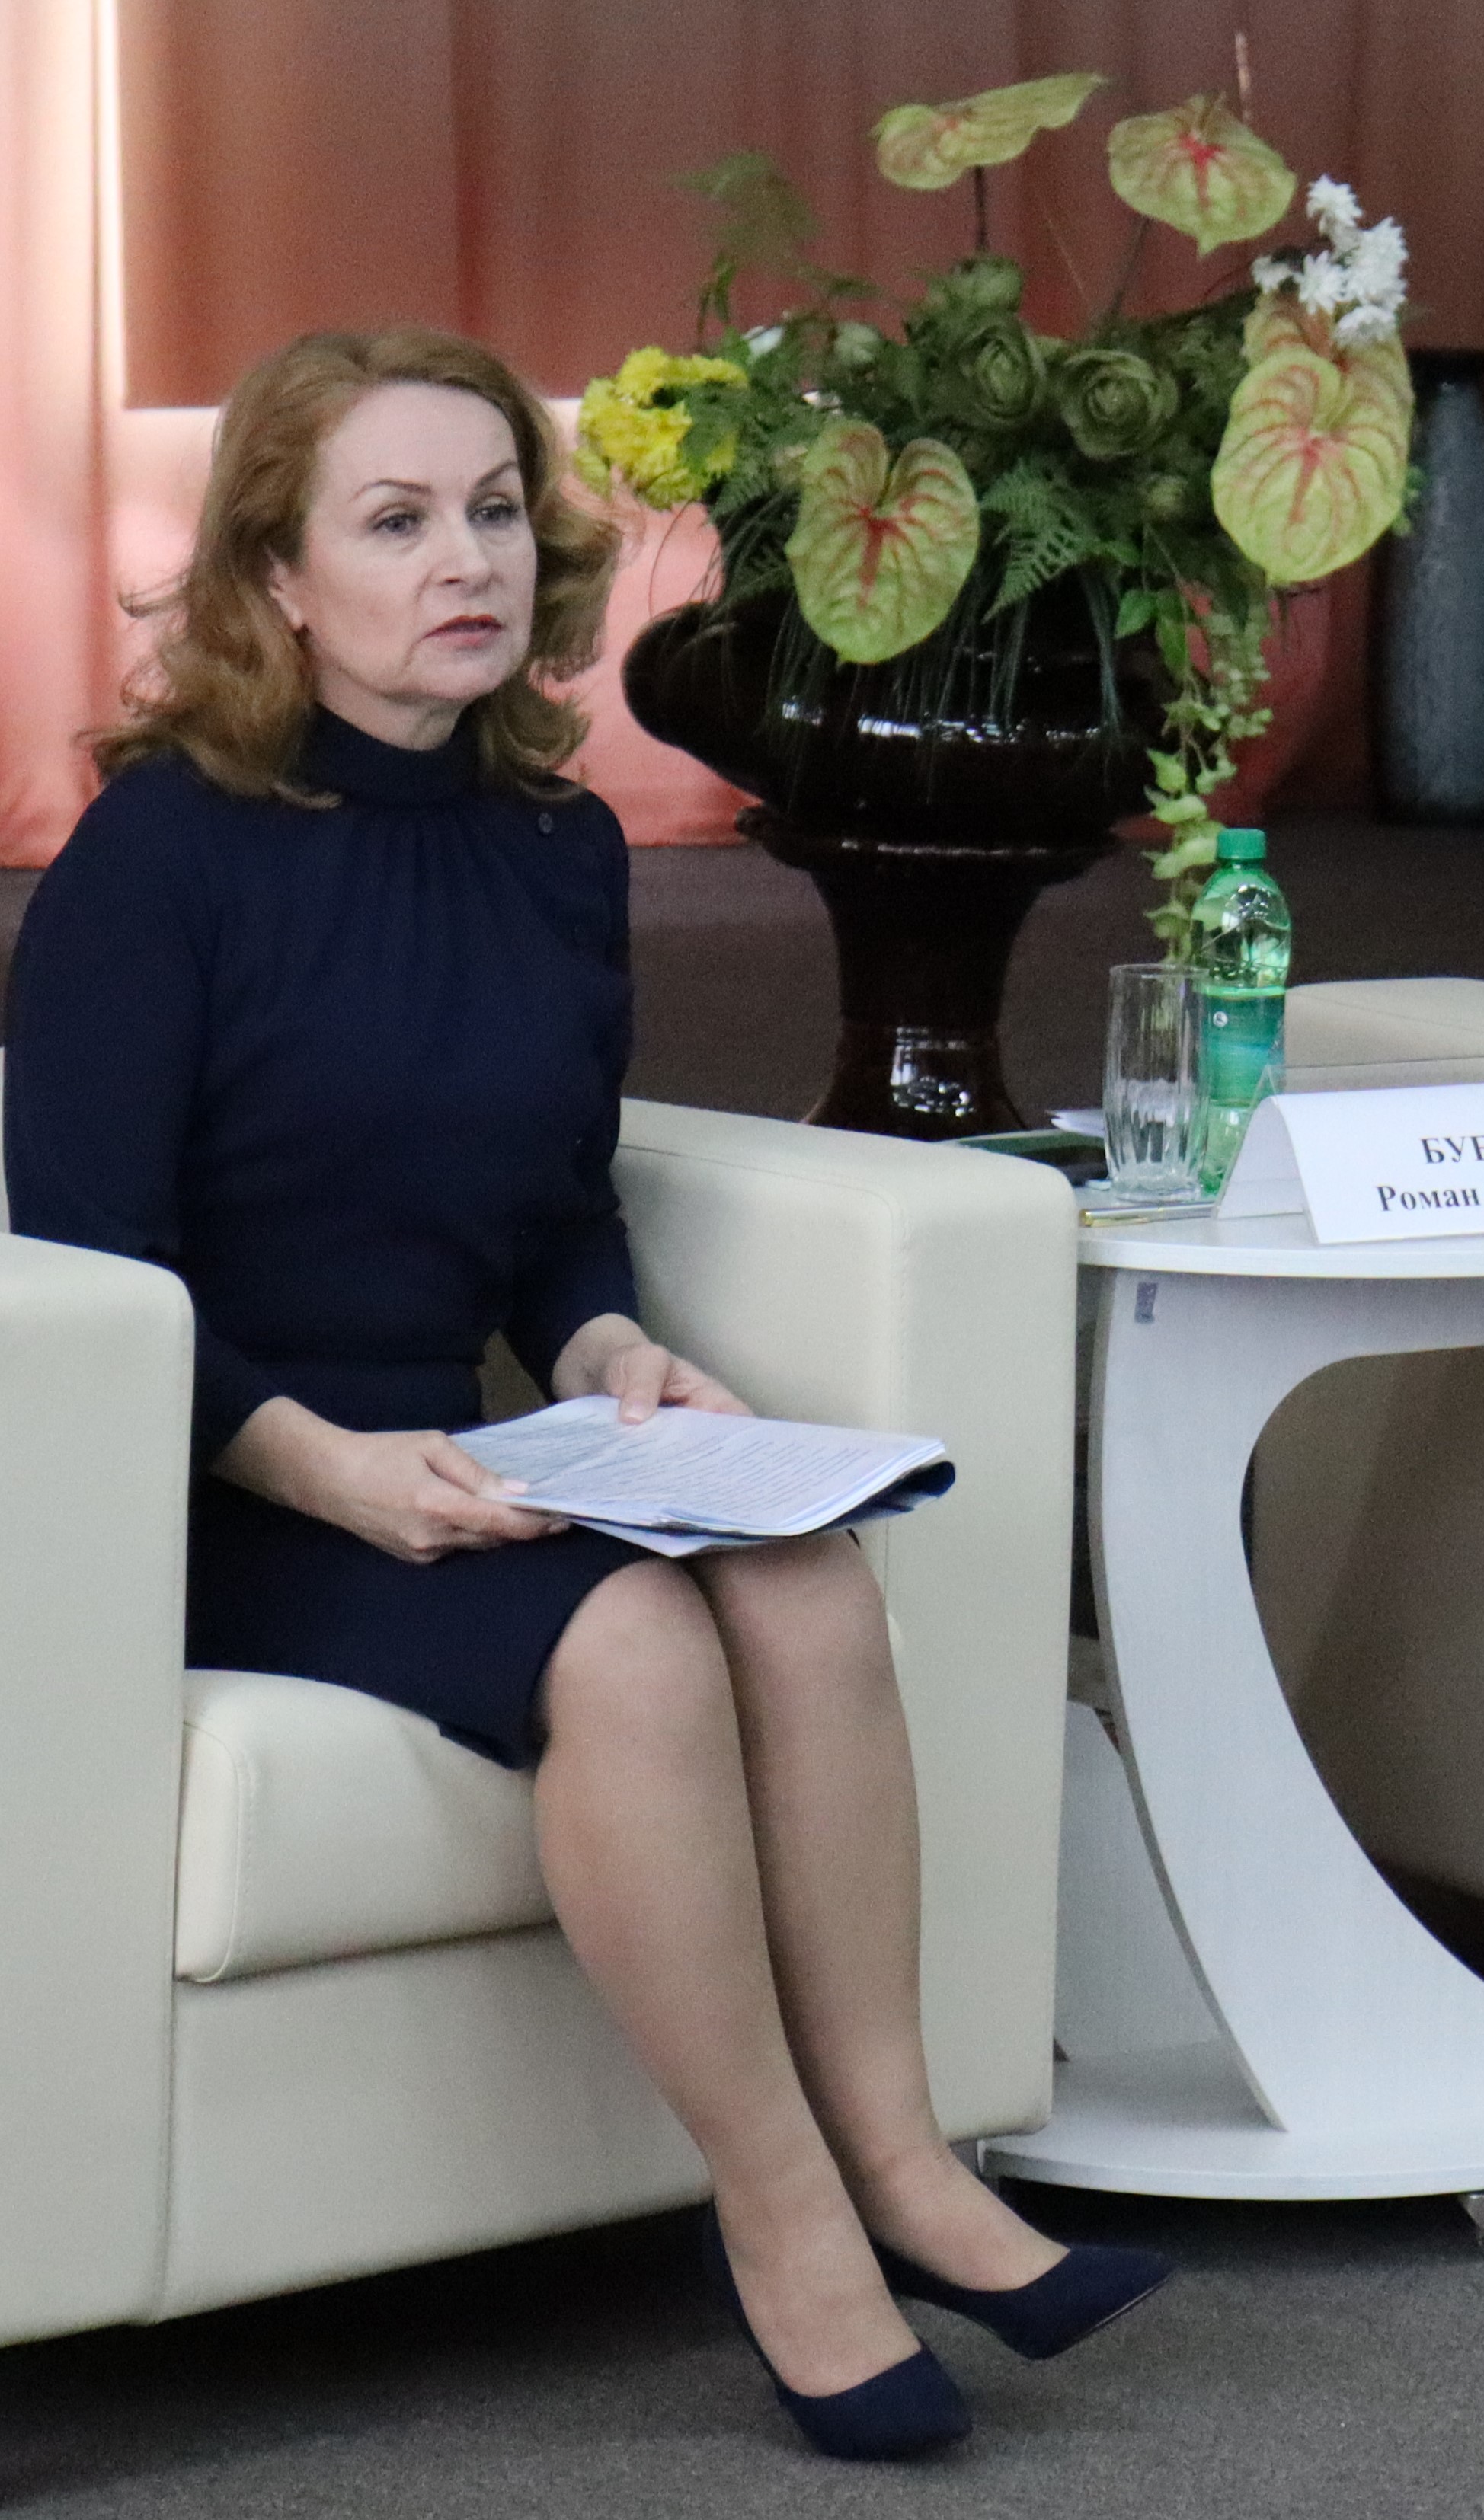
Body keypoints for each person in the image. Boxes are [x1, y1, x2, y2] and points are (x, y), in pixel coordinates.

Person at [1, 331, 1163, 2457]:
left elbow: (550, 1207)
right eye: (395, 520)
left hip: (450, 1449)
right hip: (205, 1485)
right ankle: (786, 2219)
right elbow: (93, 1266)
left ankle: (909, 2159)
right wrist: (329, 1470)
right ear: (275, 578)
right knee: (629, 1640)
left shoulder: (554, 847)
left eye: (493, 509)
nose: (467, 558)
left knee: (804, 1571)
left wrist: (617, 1350)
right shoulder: (155, 858)